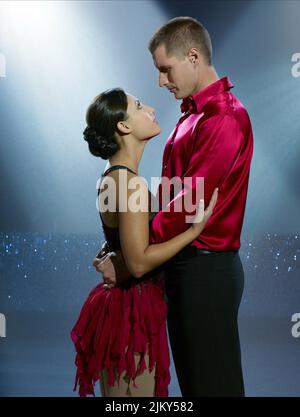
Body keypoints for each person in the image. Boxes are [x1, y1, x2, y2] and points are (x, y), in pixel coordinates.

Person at [94, 17, 254, 397]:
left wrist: (132, 252)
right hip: (180, 263)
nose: (161, 82)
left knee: (215, 386)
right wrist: (129, 247)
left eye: (165, 70)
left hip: (206, 269)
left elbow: (189, 204)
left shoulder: (225, 118)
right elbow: (169, 197)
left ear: (193, 56)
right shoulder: (191, 115)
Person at [70, 87, 218, 397]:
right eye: (139, 105)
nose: (150, 108)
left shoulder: (113, 176)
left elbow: (123, 242)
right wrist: (193, 231)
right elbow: (137, 262)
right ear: (123, 126)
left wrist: (111, 254)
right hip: (132, 311)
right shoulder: (130, 183)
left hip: (126, 305)